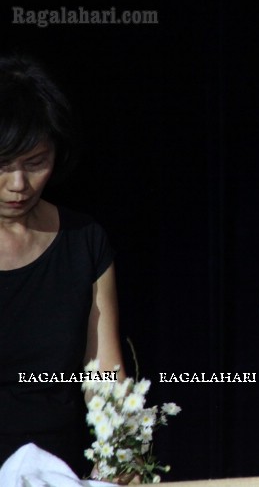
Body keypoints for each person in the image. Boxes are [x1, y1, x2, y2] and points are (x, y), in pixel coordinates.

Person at [0, 57, 125, 474]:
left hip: (57, 468)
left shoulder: (84, 239)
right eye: (2, 165)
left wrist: (120, 453)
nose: (18, 185)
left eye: (35, 163)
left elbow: (103, 370)